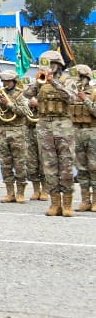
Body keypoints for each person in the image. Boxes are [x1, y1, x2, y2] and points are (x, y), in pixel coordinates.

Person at [23, 51, 76, 216]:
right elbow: (26, 94)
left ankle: (67, 204)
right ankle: (54, 203)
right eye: (45, 65)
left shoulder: (68, 81)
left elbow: (72, 98)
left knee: (66, 166)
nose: (48, 69)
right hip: (44, 125)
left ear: (59, 66)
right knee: (49, 166)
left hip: (63, 125)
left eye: (51, 65)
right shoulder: (40, 80)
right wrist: (39, 82)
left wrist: (55, 83)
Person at [0, 69, 33, 203]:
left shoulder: (21, 95)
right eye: (3, 81)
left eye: (8, 81)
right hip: (2, 130)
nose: (5, 84)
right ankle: (10, 192)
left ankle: (20, 193)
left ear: (14, 82)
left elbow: (25, 111)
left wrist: (9, 104)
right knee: (5, 163)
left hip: (17, 131)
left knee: (20, 163)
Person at [76, 65, 96, 211]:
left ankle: (95, 200)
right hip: (77, 132)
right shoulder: (73, 92)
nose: (79, 80)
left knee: (94, 167)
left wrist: (85, 99)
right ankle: (85, 200)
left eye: (81, 77)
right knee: (81, 168)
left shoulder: (94, 92)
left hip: (92, 132)